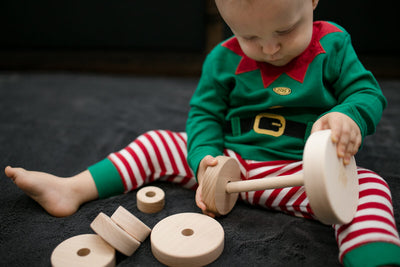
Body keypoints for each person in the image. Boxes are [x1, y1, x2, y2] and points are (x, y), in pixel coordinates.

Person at [5, 0, 400, 265]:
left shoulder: (334, 43)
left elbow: (366, 92)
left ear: (313, 1)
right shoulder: (223, 58)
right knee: (158, 142)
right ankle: (72, 188)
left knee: (369, 190)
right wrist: (205, 160)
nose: (270, 49)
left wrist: (349, 116)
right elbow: (204, 116)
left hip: (304, 175)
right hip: (233, 165)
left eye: (285, 31)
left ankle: (372, 258)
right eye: (250, 37)